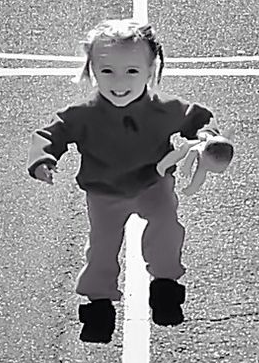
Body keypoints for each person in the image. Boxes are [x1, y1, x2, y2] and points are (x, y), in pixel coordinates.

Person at [28, 18, 232, 343]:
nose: (119, 81)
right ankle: (98, 310)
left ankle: (165, 289)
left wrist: (207, 137)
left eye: (132, 72)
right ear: (91, 69)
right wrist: (43, 159)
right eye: (107, 71)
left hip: (153, 184)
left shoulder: (164, 110)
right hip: (105, 193)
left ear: (151, 70)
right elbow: (52, 133)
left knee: (166, 229)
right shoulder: (83, 115)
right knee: (101, 249)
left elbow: (199, 118)